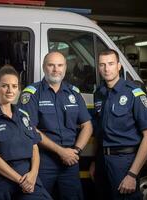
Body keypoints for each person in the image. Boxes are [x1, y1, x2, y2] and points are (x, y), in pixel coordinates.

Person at [19, 51, 93, 200]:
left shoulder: (74, 93)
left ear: (65, 68)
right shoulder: (31, 94)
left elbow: (87, 125)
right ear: (44, 67)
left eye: (60, 65)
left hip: (71, 161)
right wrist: (61, 151)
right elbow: (30, 129)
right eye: (51, 65)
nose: (55, 69)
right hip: (43, 161)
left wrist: (75, 151)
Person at [0, 65, 52, 200]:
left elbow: (35, 149)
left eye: (14, 86)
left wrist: (33, 174)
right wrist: (21, 180)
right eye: (5, 86)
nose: (10, 90)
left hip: (28, 177)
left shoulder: (24, 116)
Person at [90, 49, 147, 200]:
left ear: (119, 66)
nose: (107, 69)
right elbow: (99, 133)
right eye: (102, 65)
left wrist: (132, 174)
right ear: (99, 68)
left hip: (124, 162)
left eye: (111, 64)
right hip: (102, 161)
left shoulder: (134, 93)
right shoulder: (98, 93)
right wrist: (95, 161)